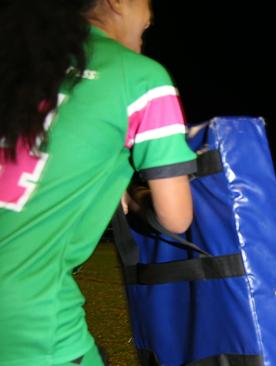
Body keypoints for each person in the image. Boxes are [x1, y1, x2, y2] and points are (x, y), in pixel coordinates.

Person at [0, 0, 196, 364]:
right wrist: (136, 194)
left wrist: (109, 180)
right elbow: (177, 217)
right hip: (26, 316)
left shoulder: (23, 63)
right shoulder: (141, 78)